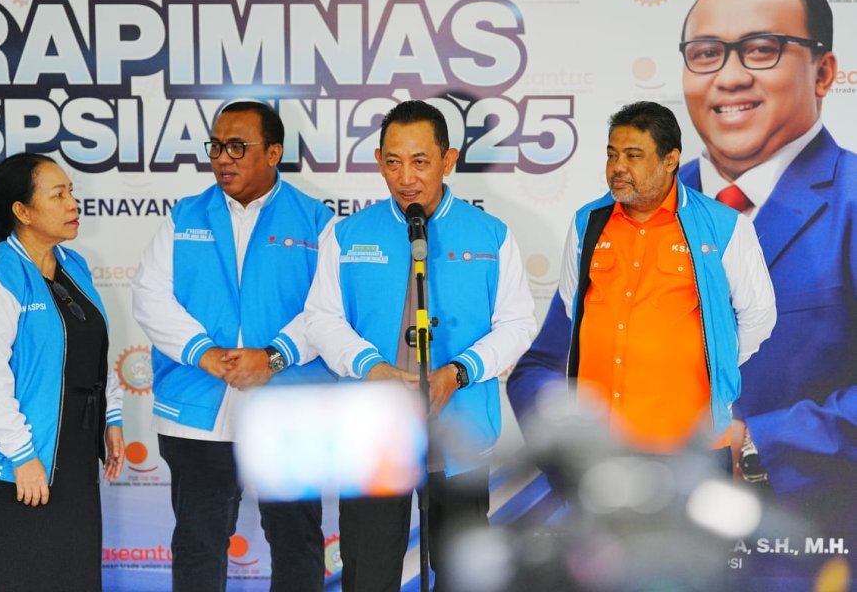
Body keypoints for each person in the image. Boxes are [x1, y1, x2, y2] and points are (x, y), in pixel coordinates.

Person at [303, 99, 536, 591]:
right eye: (393, 162)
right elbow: (321, 319)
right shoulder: (346, 235)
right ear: (378, 161)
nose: (405, 177)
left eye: (420, 161)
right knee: (368, 574)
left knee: (464, 575)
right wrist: (374, 368)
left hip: (461, 435)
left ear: (448, 160)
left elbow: (517, 324)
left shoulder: (491, 235)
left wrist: (458, 372)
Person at [131, 101, 334, 592]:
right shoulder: (184, 216)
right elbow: (149, 296)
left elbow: (327, 308)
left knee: (297, 541)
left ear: (274, 153)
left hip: (289, 407)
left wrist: (273, 357)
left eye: (238, 146)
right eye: (217, 146)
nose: (223, 158)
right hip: (198, 407)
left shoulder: (316, 221)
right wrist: (203, 352)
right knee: (198, 543)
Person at [677, 0, 857, 526]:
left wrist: (757, 445)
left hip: (815, 545)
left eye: (761, 49)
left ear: (823, 73)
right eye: (706, 53)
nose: (729, 77)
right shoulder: (637, 209)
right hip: (656, 546)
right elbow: (546, 366)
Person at [548, 101, 776, 458]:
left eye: (633, 155)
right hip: (599, 441)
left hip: (687, 442)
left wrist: (714, 361)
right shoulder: (587, 222)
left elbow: (759, 314)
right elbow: (572, 301)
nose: (617, 167)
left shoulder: (724, 226)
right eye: (612, 155)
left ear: (670, 160)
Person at [0, 153, 125, 592]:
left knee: (74, 578)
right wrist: (22, 455)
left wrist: (111, 418)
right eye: (58, 194)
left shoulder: (74, 265)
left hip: (73, 458)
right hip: (15, 466)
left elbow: (95, 350)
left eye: (72, 192)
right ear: (23, 211)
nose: (73, 203)